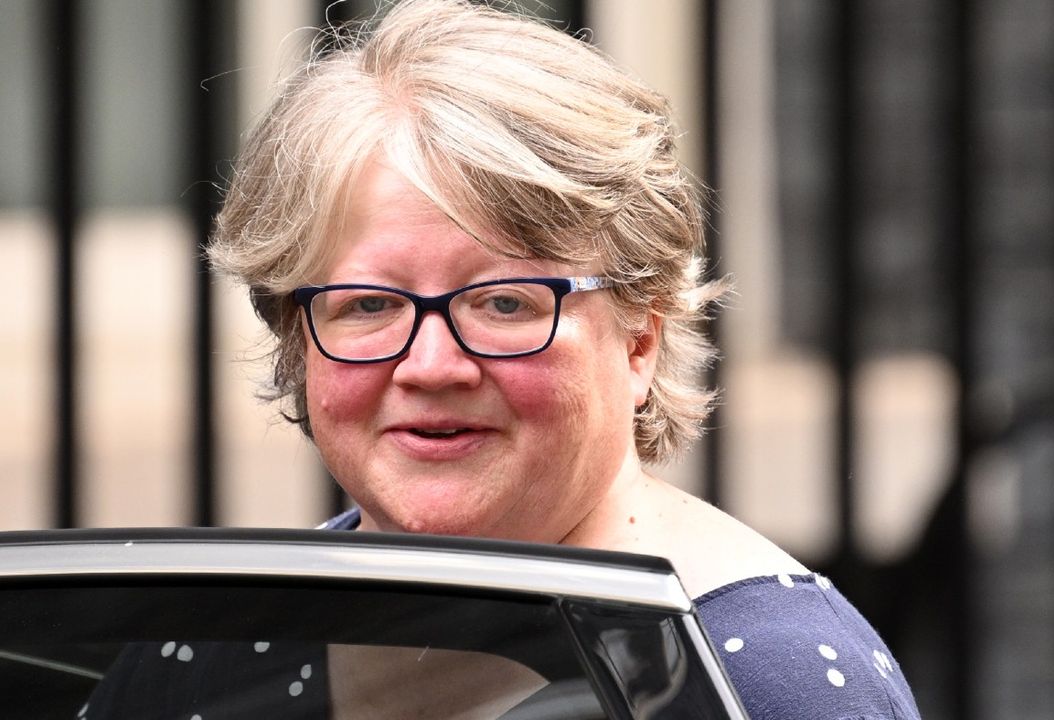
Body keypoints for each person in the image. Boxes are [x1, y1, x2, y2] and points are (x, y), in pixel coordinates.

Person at [205, 1, 922, 717]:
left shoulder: (767, 683)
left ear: (640, 337)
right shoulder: (213, 646)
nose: (430, 365)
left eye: (506, 303)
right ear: (298, 339)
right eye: (367, 305)